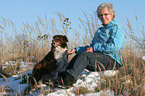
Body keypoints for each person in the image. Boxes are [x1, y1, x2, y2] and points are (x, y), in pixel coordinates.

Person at [54, 3, 125, 88]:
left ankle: (68, 81)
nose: (103, 17)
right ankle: (62, 78)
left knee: (84, 56)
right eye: (101, 15)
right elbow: (91, 47)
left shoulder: (116, 29)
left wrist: (95, 48)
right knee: (79, 55)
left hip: (112, 60)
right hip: (99, 57)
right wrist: (76, 50)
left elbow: (114, 47)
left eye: (106, 14)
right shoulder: (100, 30)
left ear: (112, 15)